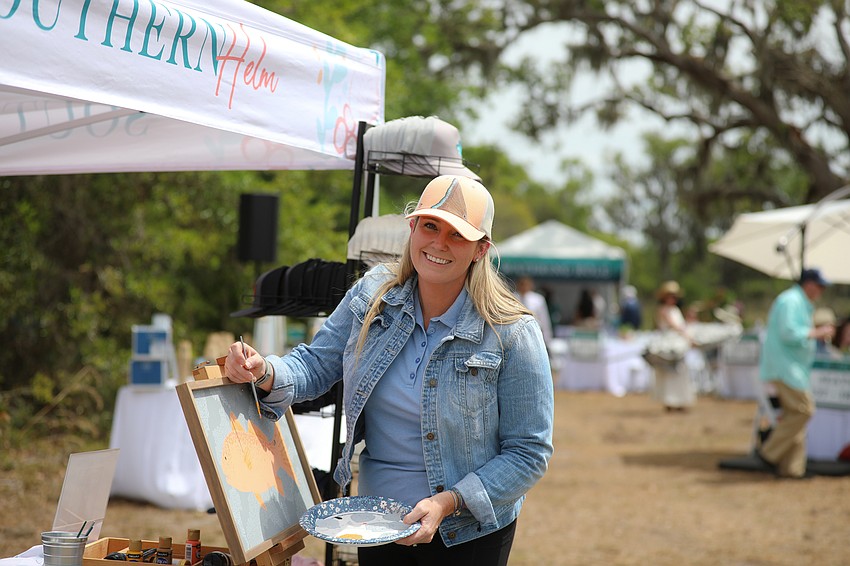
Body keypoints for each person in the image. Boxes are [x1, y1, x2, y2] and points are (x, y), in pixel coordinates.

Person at [224, 175, 554, 565]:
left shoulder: (512, 331)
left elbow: (528, 452)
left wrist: (448, 502)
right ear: (412, 227)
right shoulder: (372, 295)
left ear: (480, 249)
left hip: (467, 534)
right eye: (430, 226)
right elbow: (314, 364)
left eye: (457, 235)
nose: (439, 243)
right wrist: (264, 371)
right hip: (376, 524)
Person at [756, 268, 835, 479]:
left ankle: (792, 468)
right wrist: (817, 332)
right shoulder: (790, 301)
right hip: (785, 369)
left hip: (790, 368)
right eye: (820, 286)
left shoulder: (797, 301)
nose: (821, 291)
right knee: (804, 410)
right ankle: (769, 453)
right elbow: (788, 332)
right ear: (808, 284)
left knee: (795, 416)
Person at [652, 280, 696, 412]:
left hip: (678, 343)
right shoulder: (663, 310)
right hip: (669, 344)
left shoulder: (675, 310)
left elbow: (680, 325)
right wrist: (687, 336)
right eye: (670, 296)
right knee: (669, 371)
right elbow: (674, 326)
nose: (672, 298)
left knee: (680, 370)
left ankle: (680, 400)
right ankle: (670, 401)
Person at [514, 275, 553, 347]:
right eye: (522, 284)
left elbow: (544, 319)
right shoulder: (512, 298)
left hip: (534, 332)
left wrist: (547, 339)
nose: (524, 287)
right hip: (517, 333)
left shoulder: (538, 299)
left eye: (526, 284)